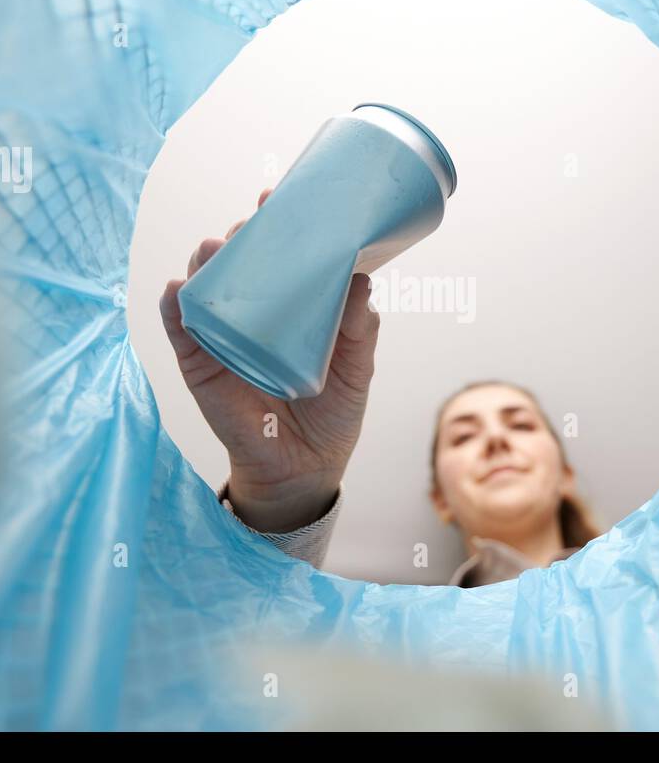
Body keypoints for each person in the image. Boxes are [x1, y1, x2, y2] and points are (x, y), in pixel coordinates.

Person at [158, 188, 603, 587]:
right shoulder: (402, 647)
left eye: (521, 425)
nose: (495, 440)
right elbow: (233, 659)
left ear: (566, 475)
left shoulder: (658, 587)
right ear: (441, 501)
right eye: (464, 436)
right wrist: (286, 491)